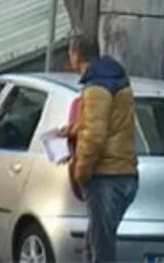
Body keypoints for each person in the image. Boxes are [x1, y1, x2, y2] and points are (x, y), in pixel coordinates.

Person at [63, 34, 139, 263]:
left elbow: (95, 137)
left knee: (100, 252)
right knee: (93, 246)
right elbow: (110, 123)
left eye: (70, 53)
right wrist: (75, 129)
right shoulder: (116, 79)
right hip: (124, 172)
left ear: (76, 54)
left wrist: (81, 172)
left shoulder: (96, 86)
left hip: (106, 176)